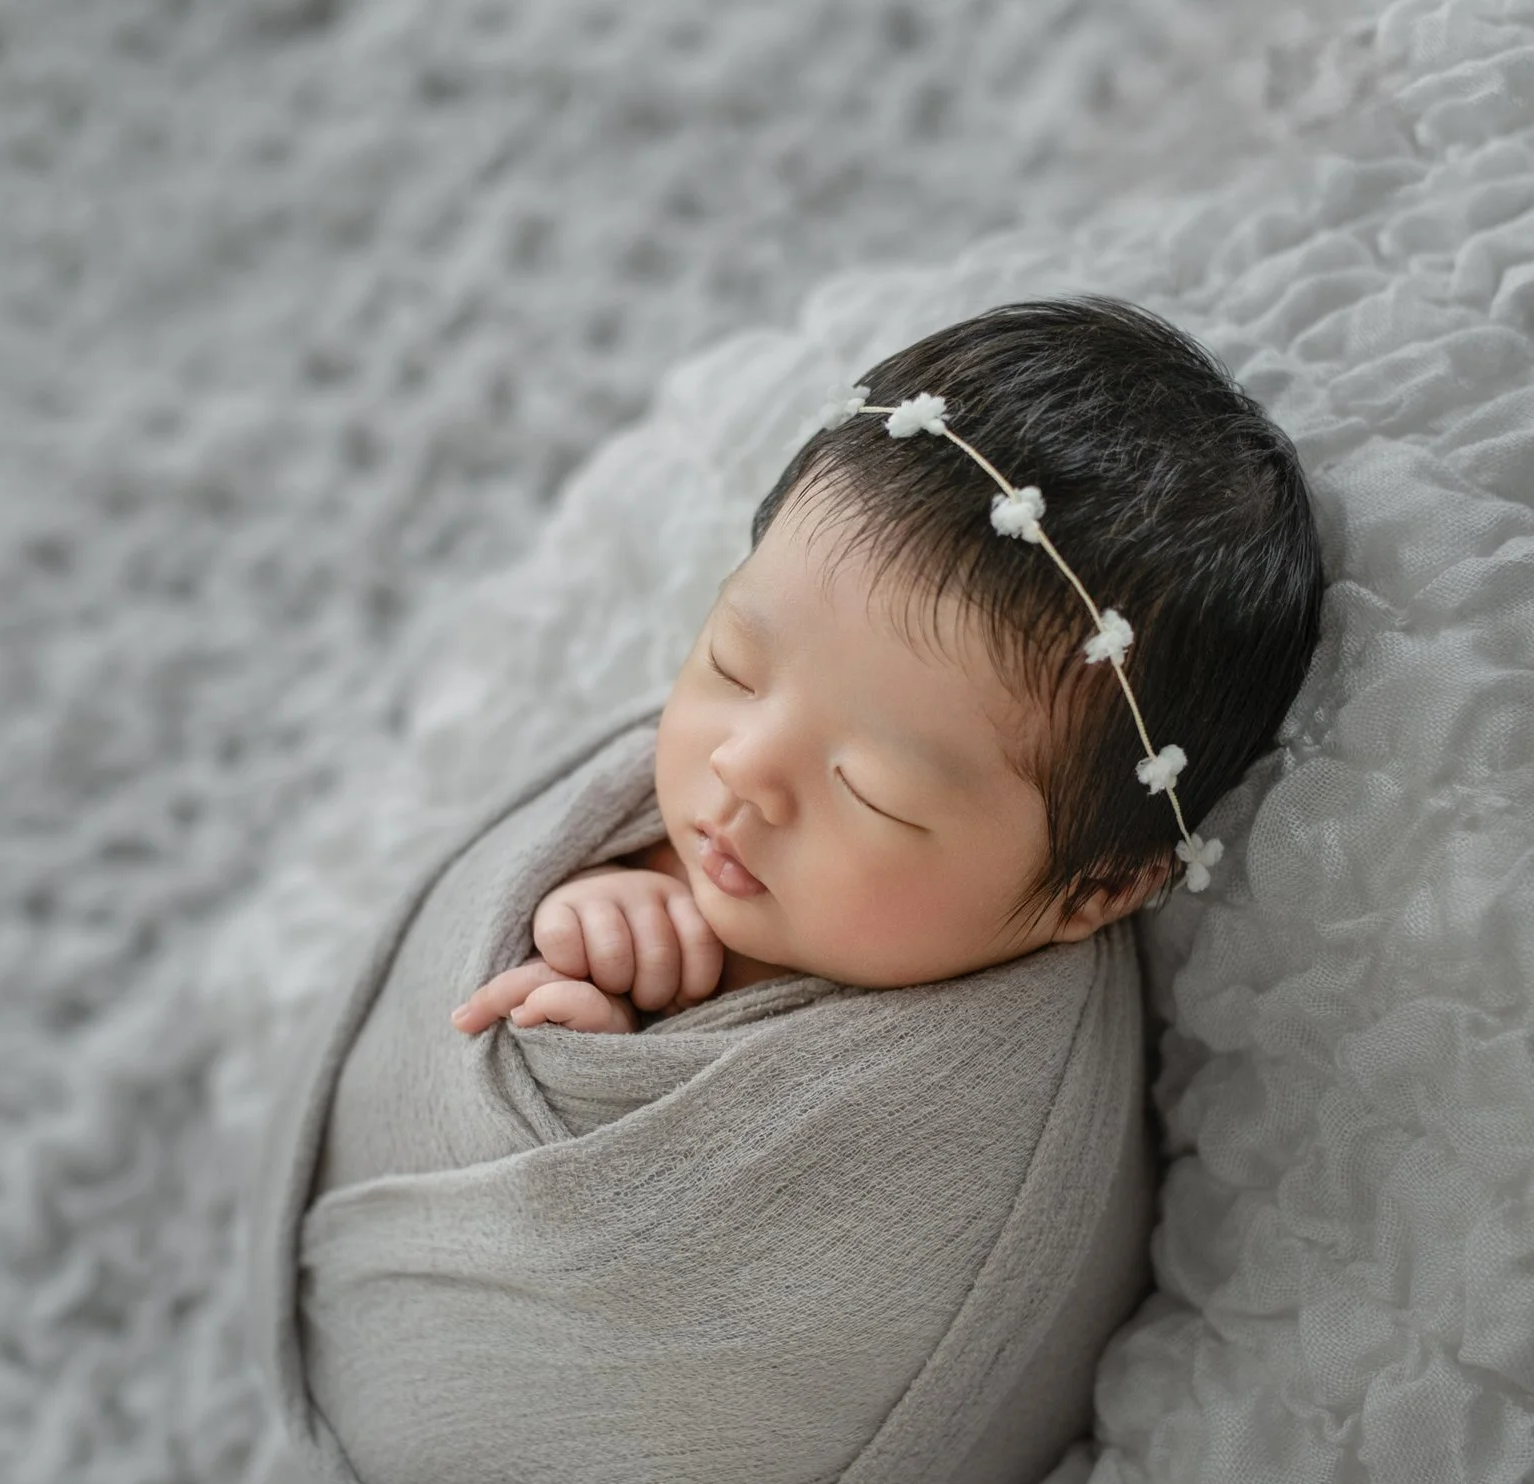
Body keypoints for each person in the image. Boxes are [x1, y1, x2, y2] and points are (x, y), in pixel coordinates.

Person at [451, 293, 1326, 1035]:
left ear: (1095, 890)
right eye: (733, 666)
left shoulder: (951, 1113)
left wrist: (604, 1055)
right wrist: (592, 896)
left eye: (871, 789)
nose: (740, 765)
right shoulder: (672, 827)